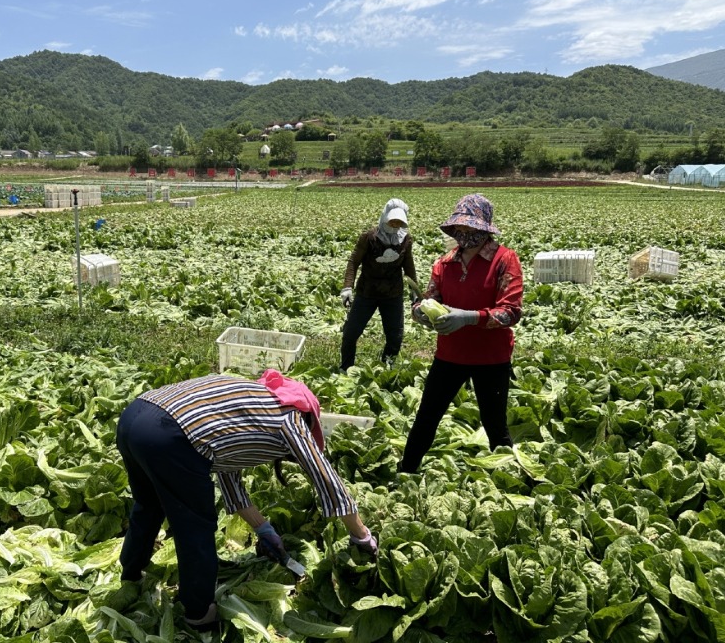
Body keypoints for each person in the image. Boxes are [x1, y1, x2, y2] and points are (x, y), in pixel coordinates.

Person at [116, 370, 377, 631]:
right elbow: (328, 483)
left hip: (134, 416)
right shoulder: (291, 419)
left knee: (148, 504)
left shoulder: (251, 404)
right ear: (310, 417)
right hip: (169, 437)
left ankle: (131, 574)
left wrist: (263, 528)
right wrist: (361, 535)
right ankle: (198, 615)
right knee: (194, 527)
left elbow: (228, 473)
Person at [402, 193, 523, 473]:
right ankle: (406, 470)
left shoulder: (505, 260)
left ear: (484, 229)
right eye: (461, 229)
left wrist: (469, 318)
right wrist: (420, 312)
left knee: (495, 425)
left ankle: (512, 478)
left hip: (491, 359)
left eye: (471, 229)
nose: (464, 234)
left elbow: (511, 312)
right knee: (427, 417)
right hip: (450, 355)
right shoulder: (444, 263)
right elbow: (429, 299)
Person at [339, 198, 419, 370]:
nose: (395, 224)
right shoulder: (369, 238)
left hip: (393, 293)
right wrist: (347, 287)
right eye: (392, 220)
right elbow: (354, 261)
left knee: (395, 336)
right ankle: (345, 367)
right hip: (367, 291)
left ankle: (386, 368)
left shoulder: (405, 240)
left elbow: (409, 266)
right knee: (351, 333)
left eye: (399, 221)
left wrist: (415, 292)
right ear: (384, 217)